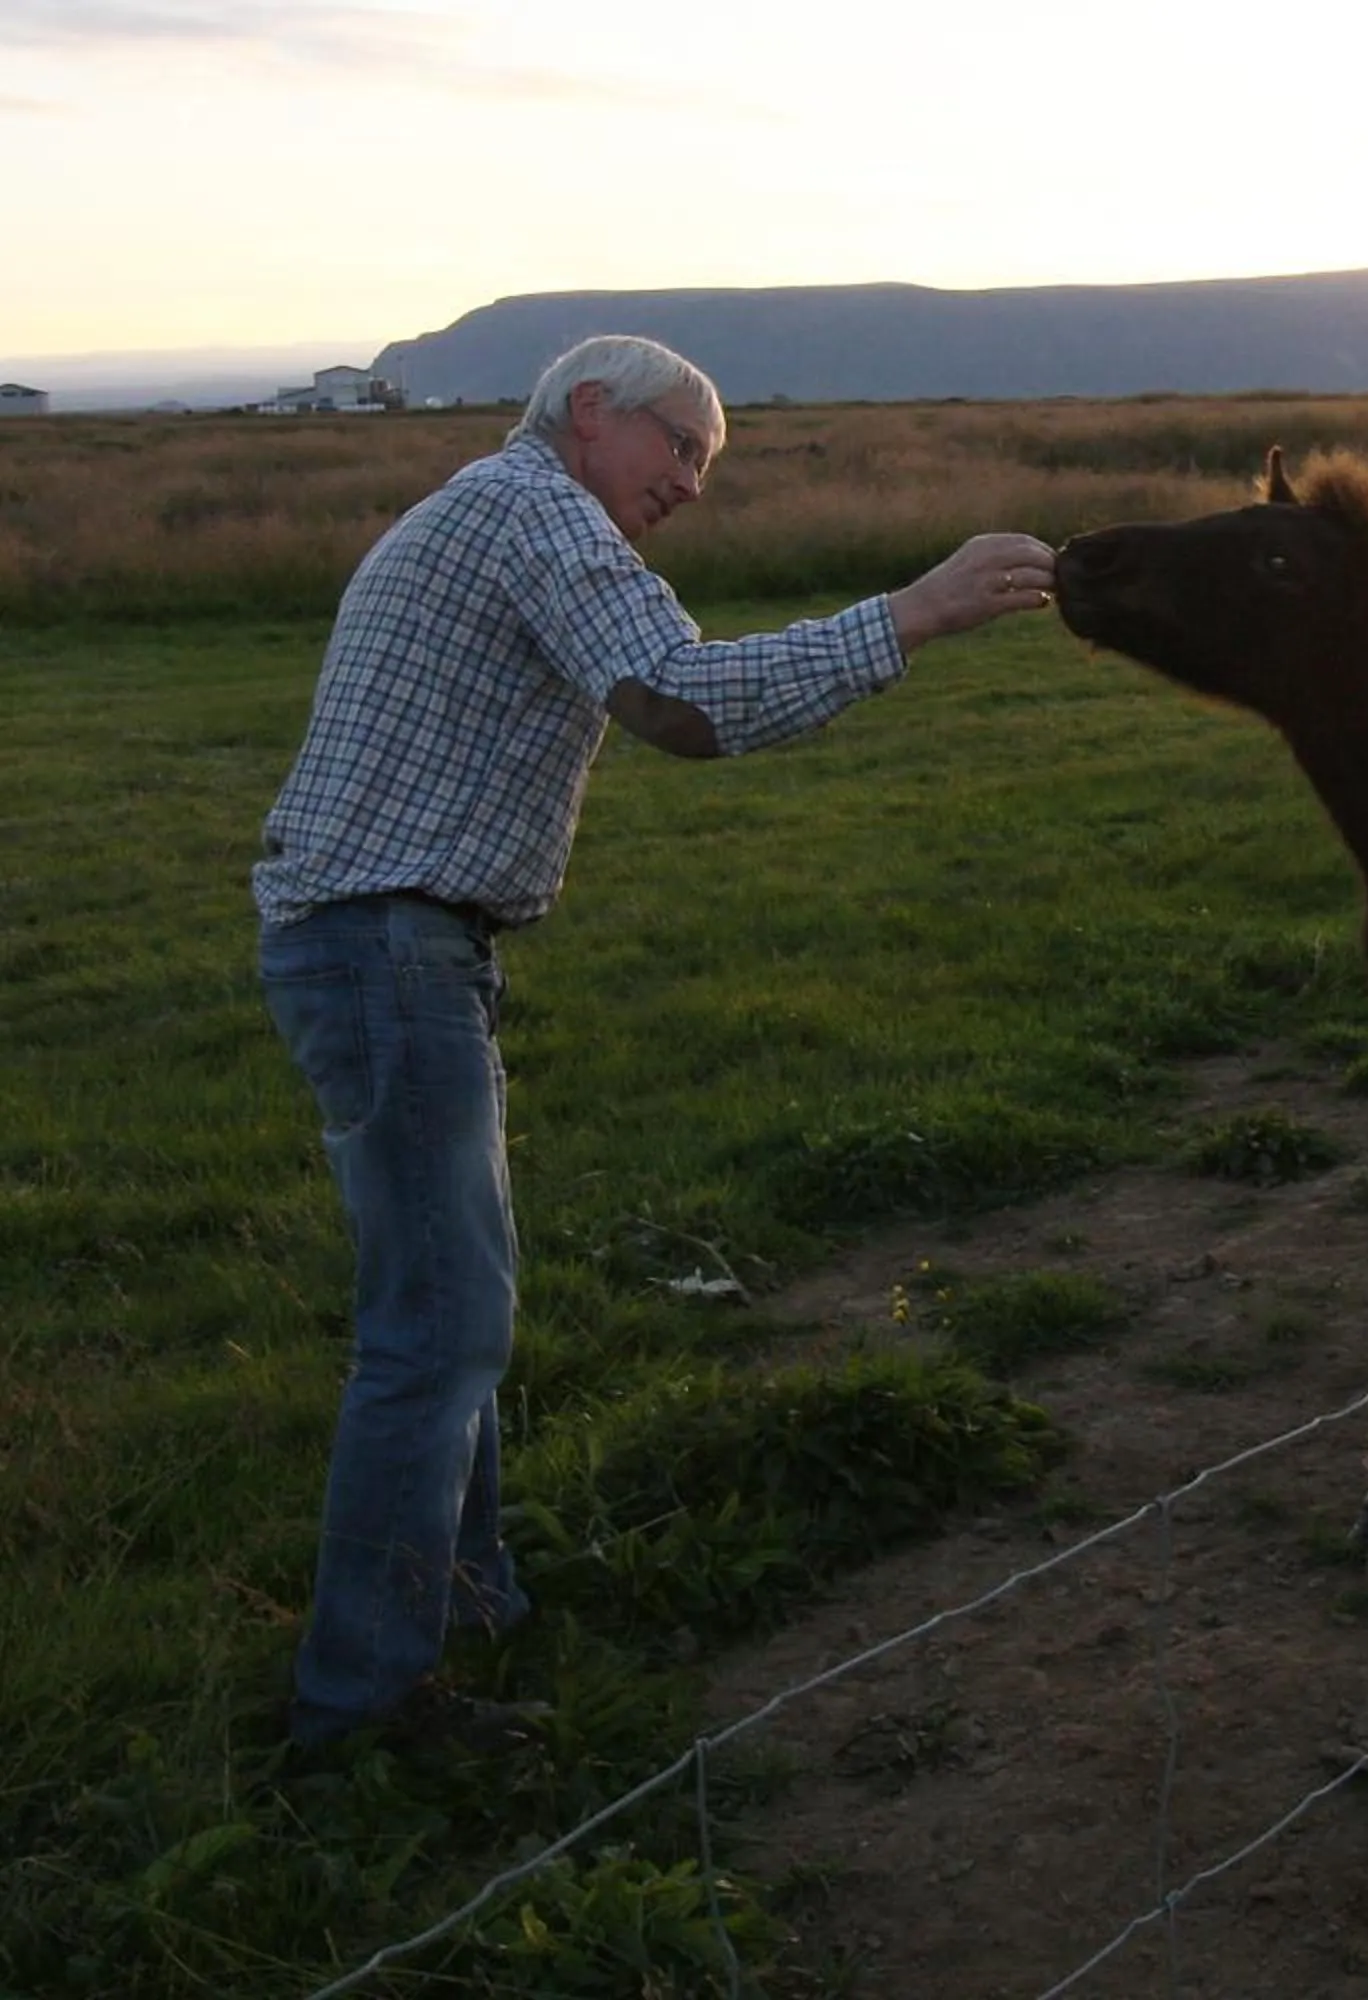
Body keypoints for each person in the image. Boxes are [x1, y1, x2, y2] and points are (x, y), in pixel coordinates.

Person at [253, 333, 1056, 1752]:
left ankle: (465, 1600)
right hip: (386, 946)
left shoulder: (488, 507)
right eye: (679, 447)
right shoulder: (534, 506)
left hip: (390, 944)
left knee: (454, 1307)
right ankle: (361, 1703)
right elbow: (686, 701)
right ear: (587, 412)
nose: (690, 484)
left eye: (705, 466)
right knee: (436, 1328)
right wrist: (917, 611)